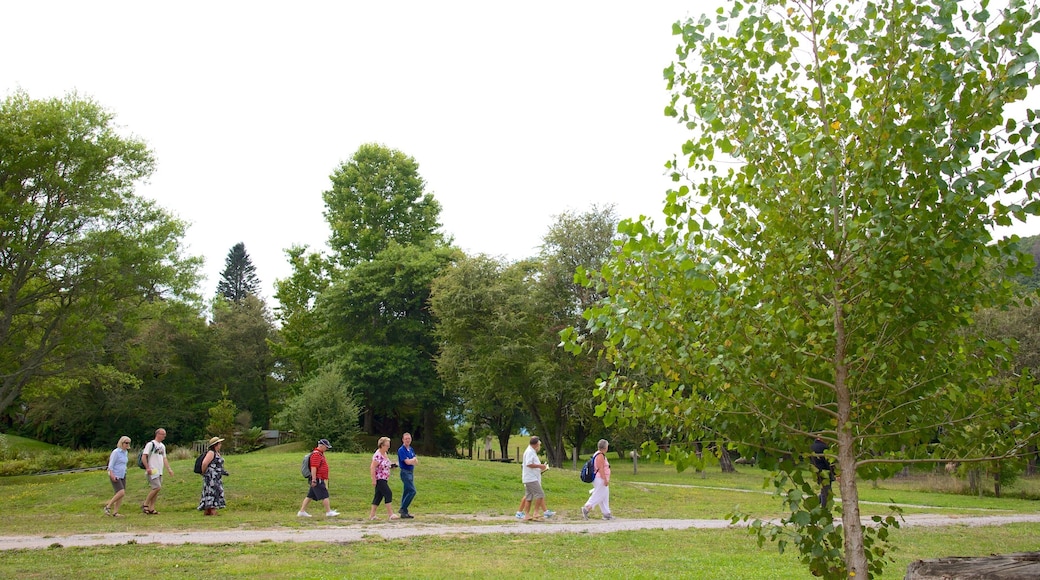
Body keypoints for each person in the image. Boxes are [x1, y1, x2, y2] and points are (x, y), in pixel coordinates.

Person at [299, 438, 339, 518]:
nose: (327, 449)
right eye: (326, 447)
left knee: (310, 496)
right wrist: (314, 479)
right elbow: (314, 467)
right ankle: (328, 512)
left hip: (318, 478)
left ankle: (302, 512)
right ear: (321, 446)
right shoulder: (316, 455)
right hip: (317, 478)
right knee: (325, 495)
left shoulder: (319, 454)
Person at [520, 436, 554, 521]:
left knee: (529, 497)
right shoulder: (530, 452)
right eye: (539, 444)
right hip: (531, 478)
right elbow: (528, 464)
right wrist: (540, 466)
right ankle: (535, 512)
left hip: (530, 477)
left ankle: (527, 515)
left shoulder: (531, 451)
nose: (539, 446)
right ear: (535, 444)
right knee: (540, 494)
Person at [141, 428, 174, 515]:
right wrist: (147, 467)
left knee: (156, 489)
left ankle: (152, 508)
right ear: (157, 434)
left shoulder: (162, 446)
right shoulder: (150, 444)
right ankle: (145, 504)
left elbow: (164, 458)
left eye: (165, 434)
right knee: (157, 487)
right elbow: (144, 457)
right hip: (152, 469)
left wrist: (169, 469)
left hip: (159, 470)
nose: (164, 436)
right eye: (163, 434)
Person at [581, 439, 614, 520]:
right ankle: (587, 507)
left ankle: (606, 513)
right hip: (600, 478)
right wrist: (605, 479)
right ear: (605, 447)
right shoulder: (600, 456)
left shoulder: (599, 454)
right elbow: (601, 468)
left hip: (600, 478)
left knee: (604, 495)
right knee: (598, 495)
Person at [368, 436, 400, 521]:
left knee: (378, 496)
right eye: (387, 445)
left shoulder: (385, 454)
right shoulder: (378, 455)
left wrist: (392, 465)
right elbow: (372, 467)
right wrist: (373, 479)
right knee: (388, 493)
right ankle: (390, 514)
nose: (388, 446)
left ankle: (372, 515)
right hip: (379, 478)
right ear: (382, 445)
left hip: (384, 478)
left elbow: (386, 464)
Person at [197, 437, 227, 516]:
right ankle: (212, 510)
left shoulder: (217, 453)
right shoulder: (211, 453)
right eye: (219, 443)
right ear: (215, 445)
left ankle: (208, 510)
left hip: (216, 476)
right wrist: (204, 473)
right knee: (212, 491)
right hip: (211, 476)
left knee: (215, 491)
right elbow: (204, 463)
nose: (220, 445)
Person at [104, 436, 131, 517]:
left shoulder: (125, 452)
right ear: (121, 443)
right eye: (126, 443)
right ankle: (108, 506)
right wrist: (112, 475)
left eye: (128, 443)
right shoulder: (116, 452)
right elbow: (110, 465)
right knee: (121, 492)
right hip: (115, 474)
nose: (127, 444)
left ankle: (115, 512)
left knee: (120, 494)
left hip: (122, 474)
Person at [810, 435, 836, 508]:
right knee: (826, 492)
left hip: (816, 471)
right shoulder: (824, 448)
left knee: (824, 490)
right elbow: (827, 462)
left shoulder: (812, 447)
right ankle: (824, 511)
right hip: (825, 472)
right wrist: (833, 473)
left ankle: (813, 506)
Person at [397, 432, 418, 519]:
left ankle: (404, 513)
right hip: (405, 472)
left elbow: (416, 461)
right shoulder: (401, 450)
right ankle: (403, 508)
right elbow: (407, 462)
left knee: (406, 491)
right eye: (406, 439)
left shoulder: (411, 449)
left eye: (409, 439)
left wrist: (412, 460)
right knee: (412, 491)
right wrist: (412, 460)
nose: (407, 440)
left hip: (411, 471)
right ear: (403, 440)